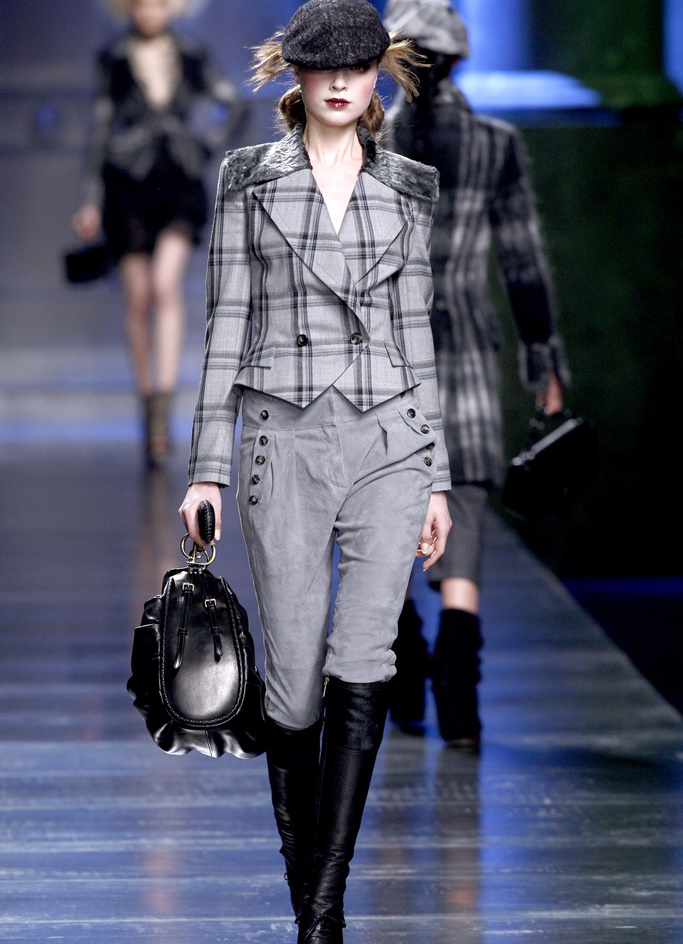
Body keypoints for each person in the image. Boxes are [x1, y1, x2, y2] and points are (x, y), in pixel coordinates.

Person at [178, 1, 451, 939]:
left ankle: (322, 913)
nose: (338, 81)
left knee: (365, 658)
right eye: (320, 65)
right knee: (293, 684)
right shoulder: (248, 178)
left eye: (356, 65)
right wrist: (206, 468)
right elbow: (225, 324)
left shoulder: (409, 187)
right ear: (293, 74)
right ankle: (313, 899)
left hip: (389, 441)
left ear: (379, 75)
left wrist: (436, 476)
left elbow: (419, 335)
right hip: (281, 440)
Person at [381, 0, 570, 746]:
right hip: (463, 344)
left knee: (378, 501)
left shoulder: (364, 143)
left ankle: (400, 668)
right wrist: (542, 359)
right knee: (460, 501)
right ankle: (458, 695)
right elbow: (523, 263)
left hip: (378, 352)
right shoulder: (496, 144)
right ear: (460, 62)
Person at [72, 0, 245, 468]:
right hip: (126, 185)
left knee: (165, 288)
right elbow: (100, 127)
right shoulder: (114, 57)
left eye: (158, 2)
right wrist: (89, 199)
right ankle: (148, 409)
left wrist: (204, 146)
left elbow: (231, 103)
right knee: (139, 299)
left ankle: (163, 414)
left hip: (177, 181)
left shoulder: (191, 53)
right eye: (141, 2)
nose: (149, 11)